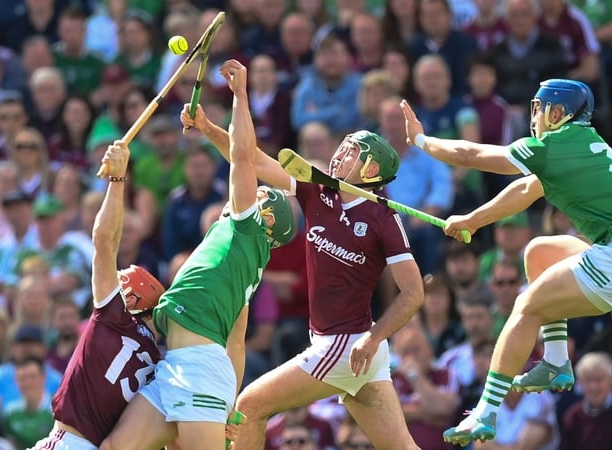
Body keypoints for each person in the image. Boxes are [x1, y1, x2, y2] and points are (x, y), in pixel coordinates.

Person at [400, 78, 612, 445]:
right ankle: (556, 360)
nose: (536, 116)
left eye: (540, 108)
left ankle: (485, 411)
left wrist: (421, 141)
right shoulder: (579, 144)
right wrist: (473, 220)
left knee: (526, 305)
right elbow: (527, 189)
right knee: (539, 253)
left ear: (557, 113)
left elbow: (471, 156)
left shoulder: (551, 146)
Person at [182, 60, 424, 449]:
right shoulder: (318, 193)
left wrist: (374, 338)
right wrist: (212, 125)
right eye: (341, 148)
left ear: (372, 168)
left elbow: (414, 293)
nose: (338, 156)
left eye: (350, 153)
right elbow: (250, 160)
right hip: (347, 348)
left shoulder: (384, 220)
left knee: (248, 407)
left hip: (348, 345)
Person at [100, 59, 297, 450]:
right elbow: (236, 345)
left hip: (198, 369)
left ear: (267, 216)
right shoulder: (243, 262)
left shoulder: (247, 227)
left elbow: (243, 156)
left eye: (259, 193)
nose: (249, 189)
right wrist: (231, 410)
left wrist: (240, 95)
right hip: (178, 364)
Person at [30, 141, 166, 449]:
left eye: (122, 283)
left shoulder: (115, 318)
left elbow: (103, 242)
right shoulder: (161, 361)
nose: (114, 284)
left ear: (130, 300)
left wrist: (117, 181)